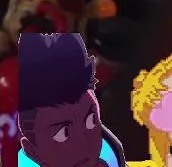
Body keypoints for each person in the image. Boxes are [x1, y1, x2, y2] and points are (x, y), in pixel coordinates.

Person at [18, 33, 126, 167]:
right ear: (32, 151)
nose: (84, 143)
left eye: (91, 120)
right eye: (63, 133)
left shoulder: (114, 153)